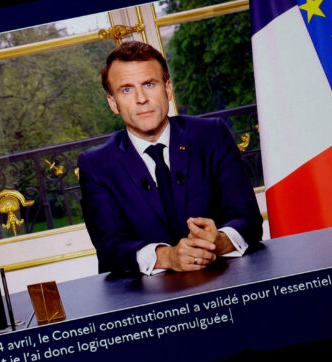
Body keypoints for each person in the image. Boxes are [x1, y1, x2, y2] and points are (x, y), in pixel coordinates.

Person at [78, 41, 262, 276]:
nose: (141, 98)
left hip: (226, 283)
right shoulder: (96, 166)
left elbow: (248, 221)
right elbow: (110, 248)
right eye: (126, 89)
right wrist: (168, 257)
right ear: (113, 103)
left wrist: (218, 241)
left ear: (167, 89)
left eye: (149, 84)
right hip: (148, 304)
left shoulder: (212, 135)